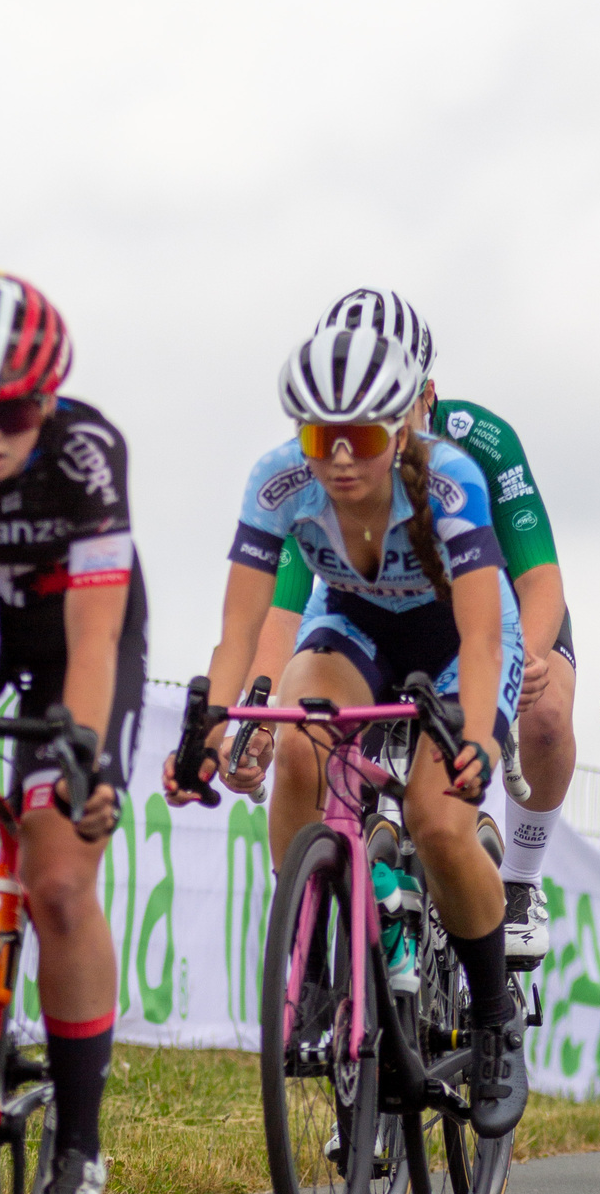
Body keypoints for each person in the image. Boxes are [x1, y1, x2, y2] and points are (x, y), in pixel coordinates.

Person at [163, 321, 530, 1137]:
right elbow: (241, 628)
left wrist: (477, 740)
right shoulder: (277, 481)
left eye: (359, 438)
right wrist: (210, 735)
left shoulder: (451, 481)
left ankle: (497, 1017)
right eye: (319, 436)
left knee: (438, 820)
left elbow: (480, 636)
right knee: (298, 741)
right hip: (355, 627)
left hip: (454, 642)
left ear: (401, 428)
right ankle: (319, 955)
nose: (337, 459)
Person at [243, 287, 572, 968]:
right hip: (368, 615)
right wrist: (261, 712)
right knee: (312, 733)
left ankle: (522, 881)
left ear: (427, 392)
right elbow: (283, 609)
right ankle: (329, 929)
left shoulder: (476, 443)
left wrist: (529, 660)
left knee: (545, 713)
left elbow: (538, 579)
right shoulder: (319, 465)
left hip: (488, 605)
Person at [0, 271, 147, 1194]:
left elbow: (99, 640)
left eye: (13, 409)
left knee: (59, 878)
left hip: (75, 641)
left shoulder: (84, 452)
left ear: (50, 399)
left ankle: (80, 1143)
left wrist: (88, 759)